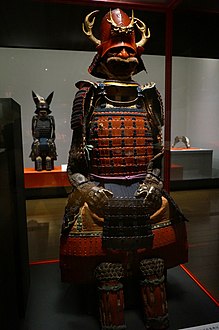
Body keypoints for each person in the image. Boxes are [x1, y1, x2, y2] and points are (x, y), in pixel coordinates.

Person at [60, 8, 188, 330]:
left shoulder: (149, 98)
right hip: (101, 192)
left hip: (145, 191)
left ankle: (155, 312)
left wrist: (155, 183)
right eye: (116, 50)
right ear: (102, 55)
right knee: (107, 269)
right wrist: (89, 189)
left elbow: (157, 156)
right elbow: (75, 164)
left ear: (138, 56)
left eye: (129, 51)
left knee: (153, 265)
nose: (124, 57)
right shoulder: (88, 97)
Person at [30, 91, 57, 171]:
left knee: (51, 145)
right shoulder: (35, 119)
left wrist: (52, 139)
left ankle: (50, 157)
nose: (42, 113)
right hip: (38, 139)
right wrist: (35, 139)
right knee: (36, 145)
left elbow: (53, 130)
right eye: (40, 112)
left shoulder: (50, 119)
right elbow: (33, 129)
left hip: (48, 138)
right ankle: (37, 157)